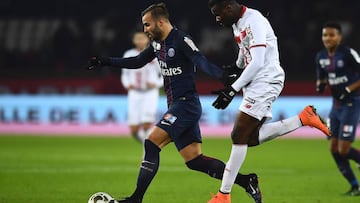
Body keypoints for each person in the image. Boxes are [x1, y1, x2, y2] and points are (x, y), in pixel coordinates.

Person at [89, 3, 262, 203]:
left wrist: (223, 76)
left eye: (147, 25)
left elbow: (199, 60)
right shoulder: (156, 44)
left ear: (160, 22)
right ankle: (246, 180)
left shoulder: (181, 40)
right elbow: (137, 61)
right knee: (194, 160)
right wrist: (105, 61)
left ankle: (135, 199)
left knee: (151, 142)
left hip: (186, 105)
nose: (145, 30)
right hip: (177, 106)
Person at [207, 1, 331, 202]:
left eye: (217, 13)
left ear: (228, 8)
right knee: (250, 138)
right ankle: (303, 118)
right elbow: (244, 51)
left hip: (265, 79)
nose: (217, 18)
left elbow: (257, 61)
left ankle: (223, 195)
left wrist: (232, 89)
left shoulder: (254, 20)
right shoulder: (237, 23)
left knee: (238, 134)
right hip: (255, 82)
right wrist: (235, 67)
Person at [316, 22, 360, 196]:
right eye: (325, 35)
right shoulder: (320, 56)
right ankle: (355, 185)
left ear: (339, 37)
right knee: (333, 149)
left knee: (343, 149)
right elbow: (321, 78)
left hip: (352, 104)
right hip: (336, 107)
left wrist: (348, 89)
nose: (328, 38)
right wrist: (320, 85)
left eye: (331, 35)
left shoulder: (348, 54)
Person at [121, 31, 163, 143]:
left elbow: (165, 74)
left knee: (146, 125)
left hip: (150, 93)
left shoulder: (155, 55)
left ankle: (147, 154)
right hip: (134, 93)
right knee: (134, 130)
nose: (140, 41)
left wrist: (157, 84)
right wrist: (127, 84)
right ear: (134, 41)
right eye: (137, 39)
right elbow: (125, 74)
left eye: (142, 38)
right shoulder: (129, 54)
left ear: (147, 39)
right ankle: (149, 145)